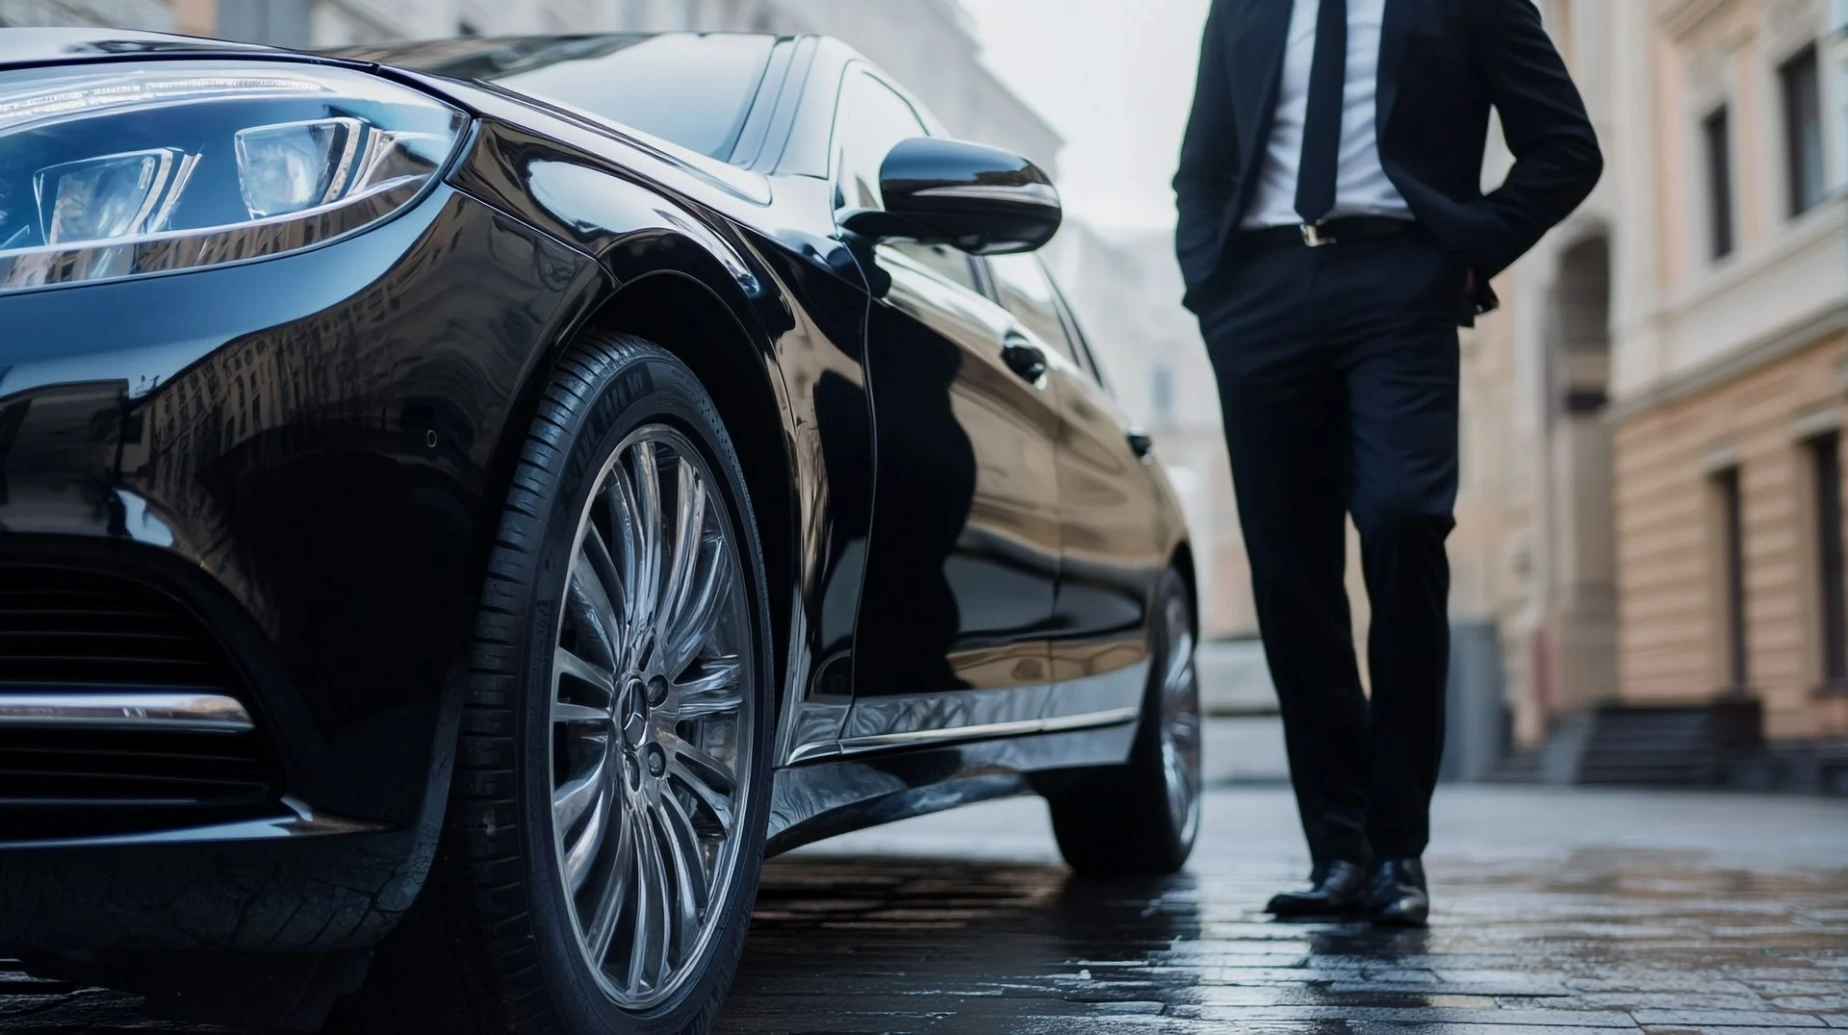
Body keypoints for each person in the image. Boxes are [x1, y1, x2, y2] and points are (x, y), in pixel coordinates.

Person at [1174, 0, 1601, 926]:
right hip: (1257, 293)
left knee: (1406, 520)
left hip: (1399, 282)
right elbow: (1202, 163)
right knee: (1291, 575)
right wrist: (1211, 284)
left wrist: (1466, 248)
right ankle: (1340, 852)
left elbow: (1567, 148)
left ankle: (1399, 846)